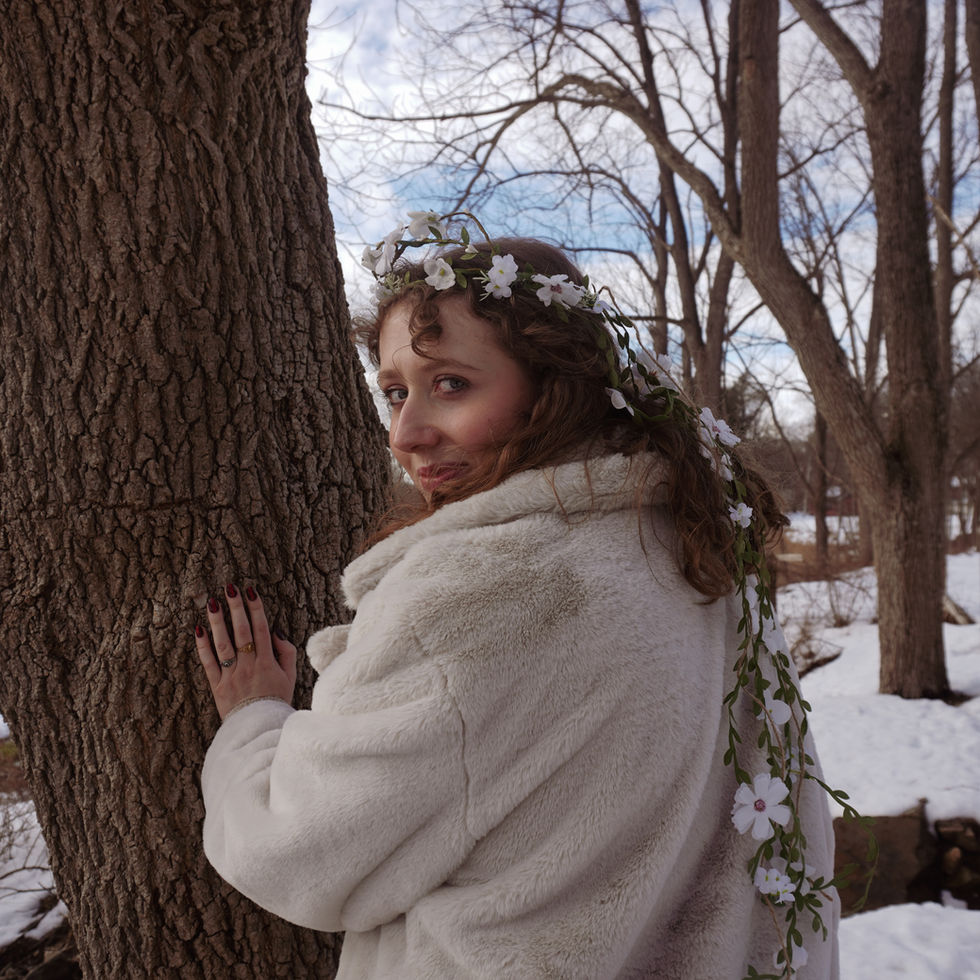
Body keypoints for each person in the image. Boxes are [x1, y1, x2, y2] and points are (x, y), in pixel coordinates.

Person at [196, 213, 840, 979]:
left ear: (553, 392)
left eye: (451, 386)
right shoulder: (698, 551)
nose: (406, 432)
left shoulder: (476, 598)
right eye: (395, 391)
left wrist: (251, 724)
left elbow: (299, 849)